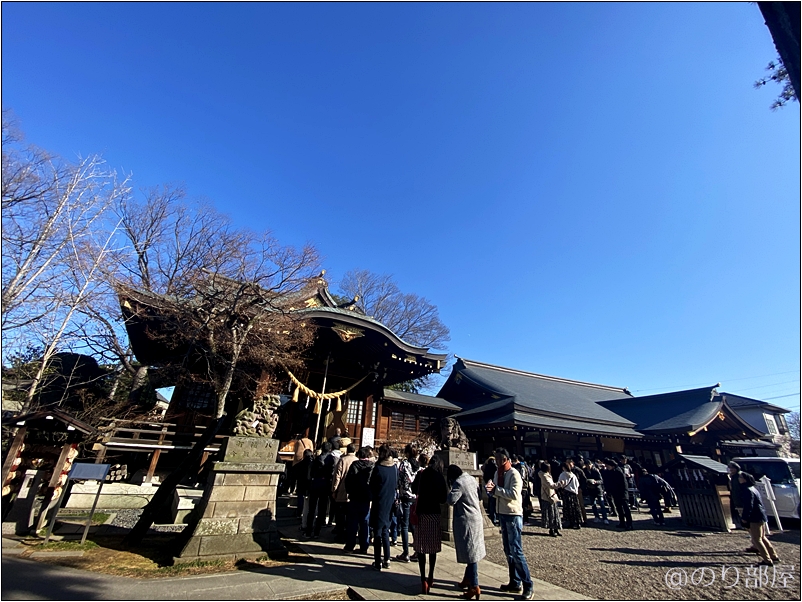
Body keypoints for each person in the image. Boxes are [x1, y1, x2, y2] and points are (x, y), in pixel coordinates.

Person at [486, 447, 534, 600]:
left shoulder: (514, 473)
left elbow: (514, 494)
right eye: (497, 459)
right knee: (508, 550)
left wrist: (496, 490)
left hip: (513, 514)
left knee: (516, 550)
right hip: (502, 513)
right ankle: (515, 581)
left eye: (501, 459)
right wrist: (490, 490)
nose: (499, 461)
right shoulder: (497, 473)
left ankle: (528, 585)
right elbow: (495, 489)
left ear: (507, 459)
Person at [447, 464, 486, 601]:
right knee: (472, 550)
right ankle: (467, 579)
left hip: (467, 519)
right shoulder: (470, 478)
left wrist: (449, 490)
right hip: (476, 516)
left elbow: (451, 500)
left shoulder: (458, 483)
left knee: (471, 554)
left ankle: (474, 585)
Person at [412, 453, 447, 594]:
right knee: (432, 547)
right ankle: (431, 575)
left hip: (421, 512)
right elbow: (443, 498)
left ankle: (422, 579)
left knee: (420, 547)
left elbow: (414, 489)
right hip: (434, 512)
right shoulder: (439, 477)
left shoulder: (421, 474)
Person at [739, 472, 780, 566]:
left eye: (741, 477)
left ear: (744, 479)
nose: (739, 478)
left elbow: (749, 506)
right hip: (761, 515)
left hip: (755, 517)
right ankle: (773, 556)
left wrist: (745, 518)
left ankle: (767, 559)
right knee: (762, 537)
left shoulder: (747, 490)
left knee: (757, 539)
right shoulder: (753, 489)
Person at [369, 444, 397, 570]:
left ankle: (377, 561)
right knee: (386, 530)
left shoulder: (378, 468)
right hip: (390, 502)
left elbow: (372, 486)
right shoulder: (394, 468)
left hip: (379, 501)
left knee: (378, 532)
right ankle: (387, 558)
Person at [344, 446, 373, 554]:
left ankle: (350, 545)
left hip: (354, 497)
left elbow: (348, 481)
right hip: (366, 498)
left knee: (352, 523)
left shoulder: (354, 465)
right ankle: (364, 546)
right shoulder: (371, 466)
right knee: (365, 523)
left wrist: (349, 491)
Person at [395, 443, 420, 562]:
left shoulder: (404, 464)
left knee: (405, 525)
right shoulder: (418, 466)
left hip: (405, 496)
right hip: (415, 497)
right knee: (413, 524)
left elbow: (399, 479)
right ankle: (417, 550)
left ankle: (406, 552)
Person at [306, 442, 336, 538]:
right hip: (326, 485)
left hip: (315, 484)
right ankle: (317, 532)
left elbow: (311, 472)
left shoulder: (317, 459)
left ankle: (308, 531)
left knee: (312, 509)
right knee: (322, 509)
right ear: (330, 449)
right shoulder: (331, 460)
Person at [331, 443, 357, 541]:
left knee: (340, 515)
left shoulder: (343, 460)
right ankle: (348, 534)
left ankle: (340, 534)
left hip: (342, 490)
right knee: (350, 516)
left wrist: (334, 489)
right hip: (353, 493)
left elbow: (337, 476)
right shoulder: (357, 460)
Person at [603, 458, 632, 530]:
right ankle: (622, 522)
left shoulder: (619, 471)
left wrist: (623, 493)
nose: (607, 467)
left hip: (622, 493)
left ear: (612, 465)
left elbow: (623, 483)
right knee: (619, 508)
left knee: (626, 509)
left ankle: (629, 524)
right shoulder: (611, 472)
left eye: (608, 466)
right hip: (615, 493)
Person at [538, 462, 562, 536]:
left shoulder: (545, 475)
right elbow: (550, 485)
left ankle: (556, 528)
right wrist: (559, 484)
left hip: (551, 495)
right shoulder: (544, 476)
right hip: (548, 496)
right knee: (551, 514)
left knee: (555, 513)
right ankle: (552, 529)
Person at [557, 461, 582, 529]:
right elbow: (577, 484)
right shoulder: (573, 475)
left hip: (567, 493)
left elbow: (560, 484)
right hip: (574, 493)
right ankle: (577, 522)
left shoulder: (562, 475)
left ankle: (569, 522)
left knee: (568, 508)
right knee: (575, 508)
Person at [584, 459, 608, 524]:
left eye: (589, 465)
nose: (588, 466)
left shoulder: (595, 470)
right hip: (590, 489)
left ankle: (605, 518)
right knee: (593, 504)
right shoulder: (585, 471)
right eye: (587, 465)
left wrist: (595, 482)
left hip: (598, 489)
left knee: (601, 504)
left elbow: (601, 480)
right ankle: (596, 517)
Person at [294, 448, 314, 528]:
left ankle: (299, 513)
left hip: (301, 483)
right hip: (310, 485)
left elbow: (294, 474)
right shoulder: (313, 464)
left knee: (300, 498)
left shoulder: (300, 464)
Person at [728, 461, 745, 528]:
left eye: (733, 468)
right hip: (735, 497)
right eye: (730, 468)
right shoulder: (732, 476)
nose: (731, 470)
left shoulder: (740, 476)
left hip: (741, 497)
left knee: (744, 513)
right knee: (739, 512)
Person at [482, 455, 498, 525]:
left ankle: (492, 517)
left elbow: (484, 475)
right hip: (493, 484)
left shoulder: (486, 466)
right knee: (494, 502)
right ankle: (495, 518)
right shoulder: (494, 467)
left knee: (491, 501)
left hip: (487, 483)